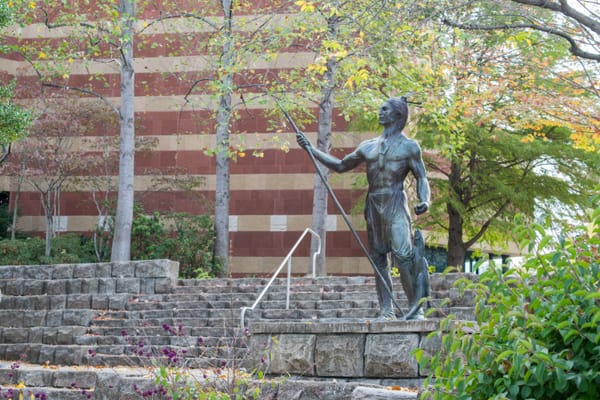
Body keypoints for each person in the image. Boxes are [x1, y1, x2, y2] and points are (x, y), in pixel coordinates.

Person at [296, 96, 431, 320]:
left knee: (404, 255)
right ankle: (386, 310)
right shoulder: (368, 146)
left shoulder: (409, 147)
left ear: (397, 115)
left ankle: (415, 309)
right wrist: (311, 149)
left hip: (396, 201)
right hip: (374, 204)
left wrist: (424, 199)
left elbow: (422, 177)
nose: (380, 112)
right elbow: (340, 165)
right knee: (379, 258)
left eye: (385, 109)